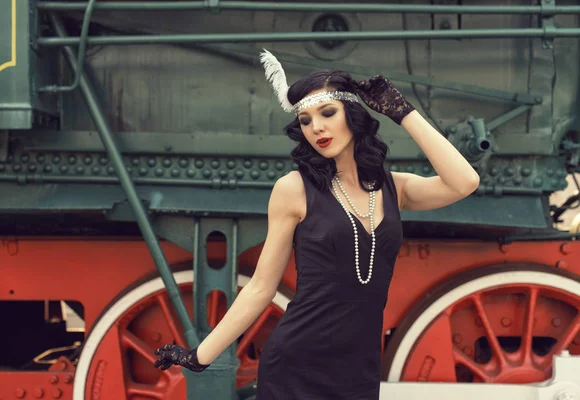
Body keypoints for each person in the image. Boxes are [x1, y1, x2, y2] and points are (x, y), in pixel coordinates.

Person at [154, 49, 480, 399]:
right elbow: (261, 287)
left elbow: (465, 182)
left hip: (360, 368)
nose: (317, 128)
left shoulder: (394, 187)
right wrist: (199, 356)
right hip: (296, 363)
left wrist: (404, 113)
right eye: (305, 120)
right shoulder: (293, 189)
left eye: (327, 113)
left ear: (352, 115)